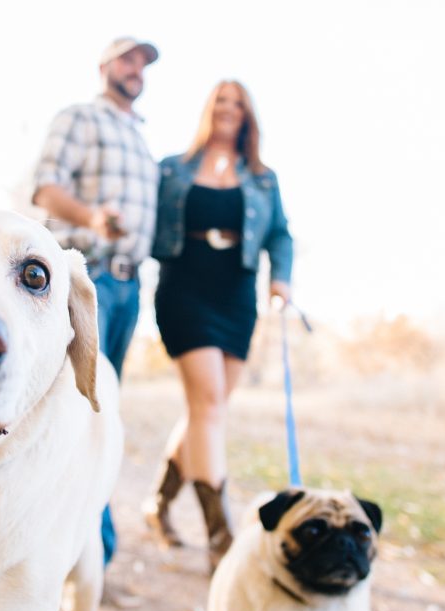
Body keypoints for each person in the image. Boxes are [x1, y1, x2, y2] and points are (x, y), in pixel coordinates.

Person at [143, 80, 294, 574]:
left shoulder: (263, 178)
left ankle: (159, 504)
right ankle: (220, 537)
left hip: (237, 292)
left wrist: (282, 280)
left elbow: (280, 234)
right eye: (221, 103)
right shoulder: (172, 168)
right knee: (208, 405)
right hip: (185, 284)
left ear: (248, 116)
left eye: (238, 104)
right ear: (210, 111)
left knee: (207, 409)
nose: (229, 111)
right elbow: (146, 219)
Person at [32, 37, 160, 579]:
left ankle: (86, 544)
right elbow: (45, 189)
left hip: (131, 288)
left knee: (103, 408)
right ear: (104, 65)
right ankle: (89, 549)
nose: (136, 69)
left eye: (143, 62)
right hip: (88, 276)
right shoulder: (80, 117)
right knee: (80, 408)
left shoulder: (141, 137)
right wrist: (92, 219)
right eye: (127, 59)